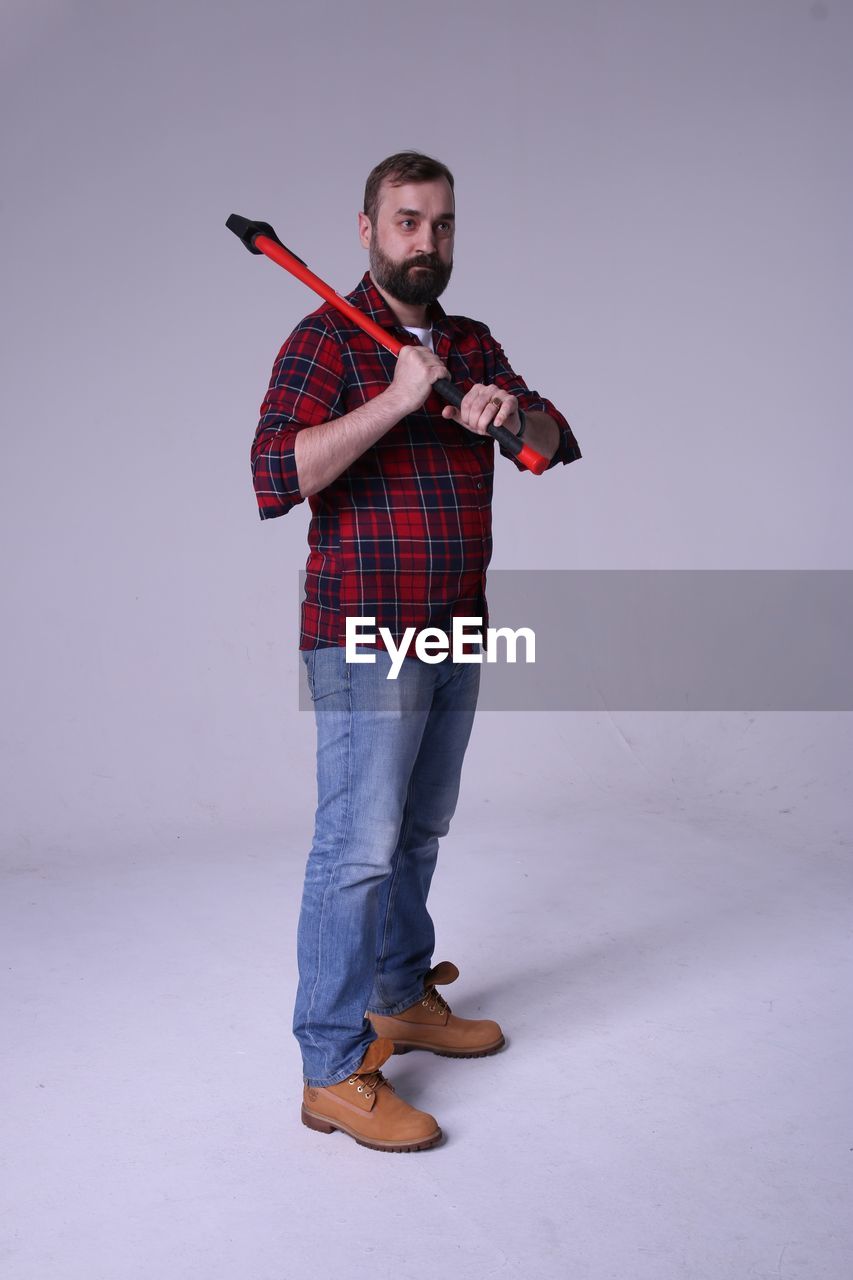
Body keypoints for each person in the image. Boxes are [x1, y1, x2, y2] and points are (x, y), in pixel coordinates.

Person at [250, 151, 581, 1152]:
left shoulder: (471, 343)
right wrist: (398, 398)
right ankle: (328, 1067)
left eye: (438, 224)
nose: (424, 242)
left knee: (419, 829)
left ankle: (401, 993)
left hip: (452, 623)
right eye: (404, 223)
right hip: (367, 635)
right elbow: (275, 473)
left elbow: (555, 440)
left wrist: (505, 411)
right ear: (366, 231)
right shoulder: (324, 341)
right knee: (356, 849)